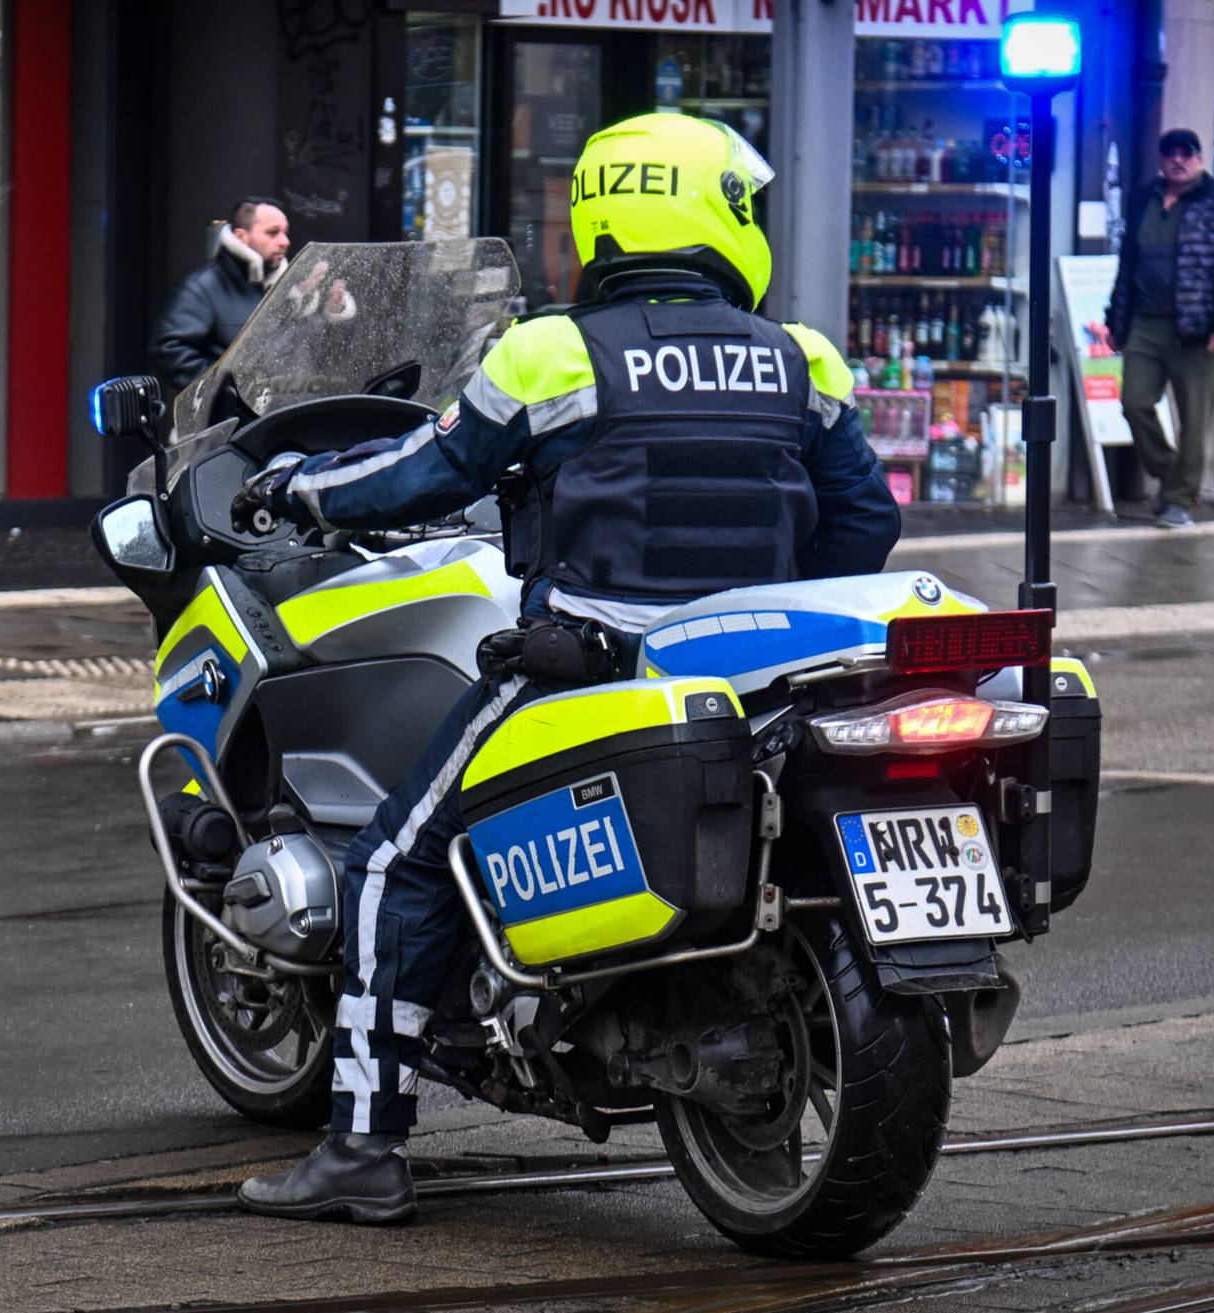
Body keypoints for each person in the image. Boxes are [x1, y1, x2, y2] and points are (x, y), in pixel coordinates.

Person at [227, 113, 901, 1225]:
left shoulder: (555, 352)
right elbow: (866, 521)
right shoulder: (802, 357)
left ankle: (362, 1146)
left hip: (590, 670)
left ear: (607, 217)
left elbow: (421, 476)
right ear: (713, 216)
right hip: (758, 675)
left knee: (395, 858)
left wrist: (297, 486)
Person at [1104, 128, 1214, 529]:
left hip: (1195, 328)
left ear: (1199, 159)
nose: (1178, 160)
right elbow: (1127, 264)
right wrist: (1116, 319)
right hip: (1144, 323)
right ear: (1161, 161)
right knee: (1133, 403)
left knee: (1194, 418)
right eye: (1170, 154)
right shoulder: (1142, 199)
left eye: (1186, 154)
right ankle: (1172, 475)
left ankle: (1180, 501)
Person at [147, 197, 292, 396]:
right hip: (230, 416)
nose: (284, 242)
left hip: (279, 413)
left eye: (285, 232)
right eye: (272, 233)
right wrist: (227, 390)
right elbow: (168, 350)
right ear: (241, 236)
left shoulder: (283, 288)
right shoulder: (202, 287)